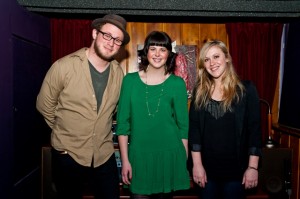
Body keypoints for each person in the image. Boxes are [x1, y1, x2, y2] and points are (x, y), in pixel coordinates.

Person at [36, 14, 130, 199]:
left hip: (103, 154)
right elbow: (44, 106)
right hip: (68, 154)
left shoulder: (119, 74)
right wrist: (64, 132)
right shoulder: (64, 66)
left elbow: (117, 111)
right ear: (95, 33)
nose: (111, 43)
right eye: (107, 35)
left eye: (117, 40)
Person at [116, 31, 190, 199]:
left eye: (162, 50)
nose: (157, 54)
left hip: (169, 155)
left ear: (169, 54)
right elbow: (122, 125)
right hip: (138, 157)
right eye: (153, 49)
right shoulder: (130, 81)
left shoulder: (177, 83)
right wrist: (125, 160)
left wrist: (182, 159)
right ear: (146, 52)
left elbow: (183, 125)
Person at [188, 40, 262, 199]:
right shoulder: (199, 92)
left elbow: (254, 131)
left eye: (216, 56)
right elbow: (194, 131)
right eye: (206, 59)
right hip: (206, 173)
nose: (212, 63)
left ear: (227, 58)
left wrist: (253, 168)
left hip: (237, 173)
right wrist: (197, 165)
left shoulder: (246, 90)